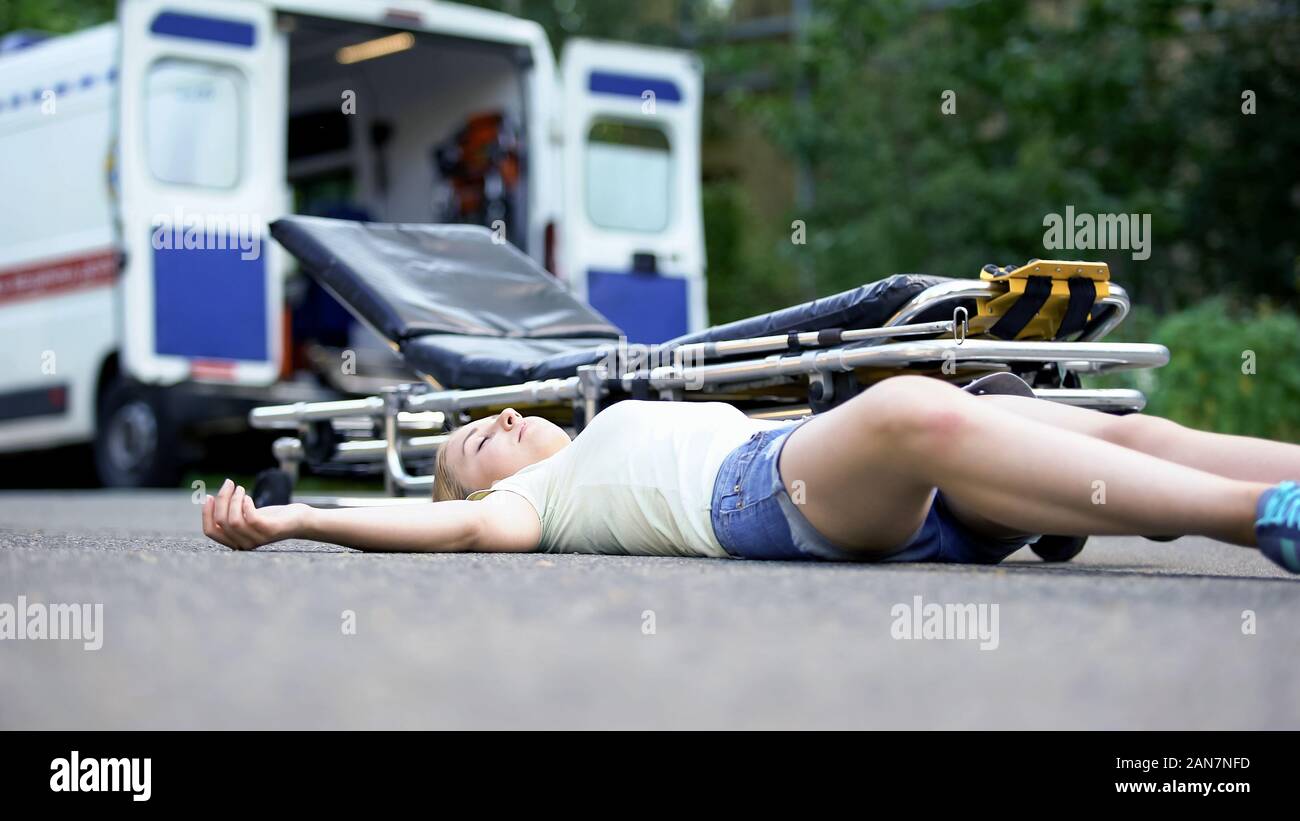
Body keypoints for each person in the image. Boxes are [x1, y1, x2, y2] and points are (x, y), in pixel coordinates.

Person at [201, 375, 1300, 573]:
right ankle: (1264, 516)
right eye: (468, 444)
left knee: (1118, 434)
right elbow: (433, 529)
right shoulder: (518, 506)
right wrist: (296, 518)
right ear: (471, 489)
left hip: (905, 489)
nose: (494, 421)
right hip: (776, 492)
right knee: (920, 405)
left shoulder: (583, 437)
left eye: (499, 415)